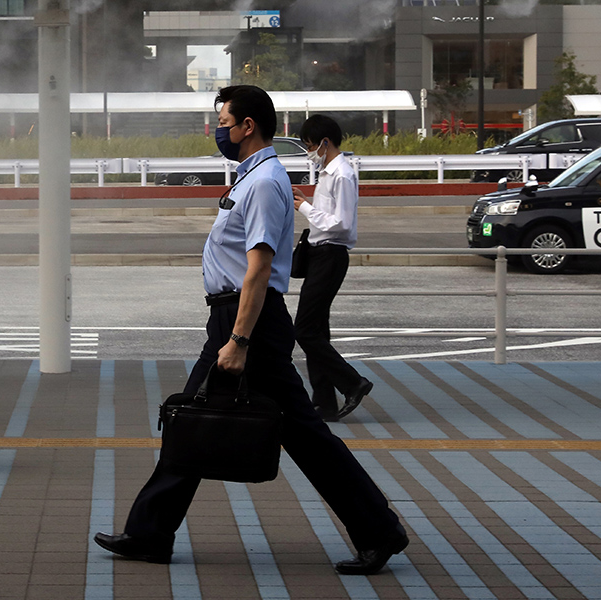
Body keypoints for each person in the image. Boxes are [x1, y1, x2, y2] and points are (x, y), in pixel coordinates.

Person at [94, 85, 408, 575]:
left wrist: (238, 339)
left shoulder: (263, 182)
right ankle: (150, 532)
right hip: (237, 318)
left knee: (289, 433)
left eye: (224, 120)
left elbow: (258, 267)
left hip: (248, 323)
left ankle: (379, 530)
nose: (218, 129)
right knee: (199, 417)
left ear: (248, 126)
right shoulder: (252, 178)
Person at [292, 115, 373, 422]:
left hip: (331, 254)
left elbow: (341, 223)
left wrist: (305, 207)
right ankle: (324, 401)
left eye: (310, 146)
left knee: (305, 329)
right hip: (318, 253)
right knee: (316, 330)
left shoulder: (341, 174)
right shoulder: (327, 172)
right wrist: (306, 204)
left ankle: (353, 383)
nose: (309, 152)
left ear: (324, 142)